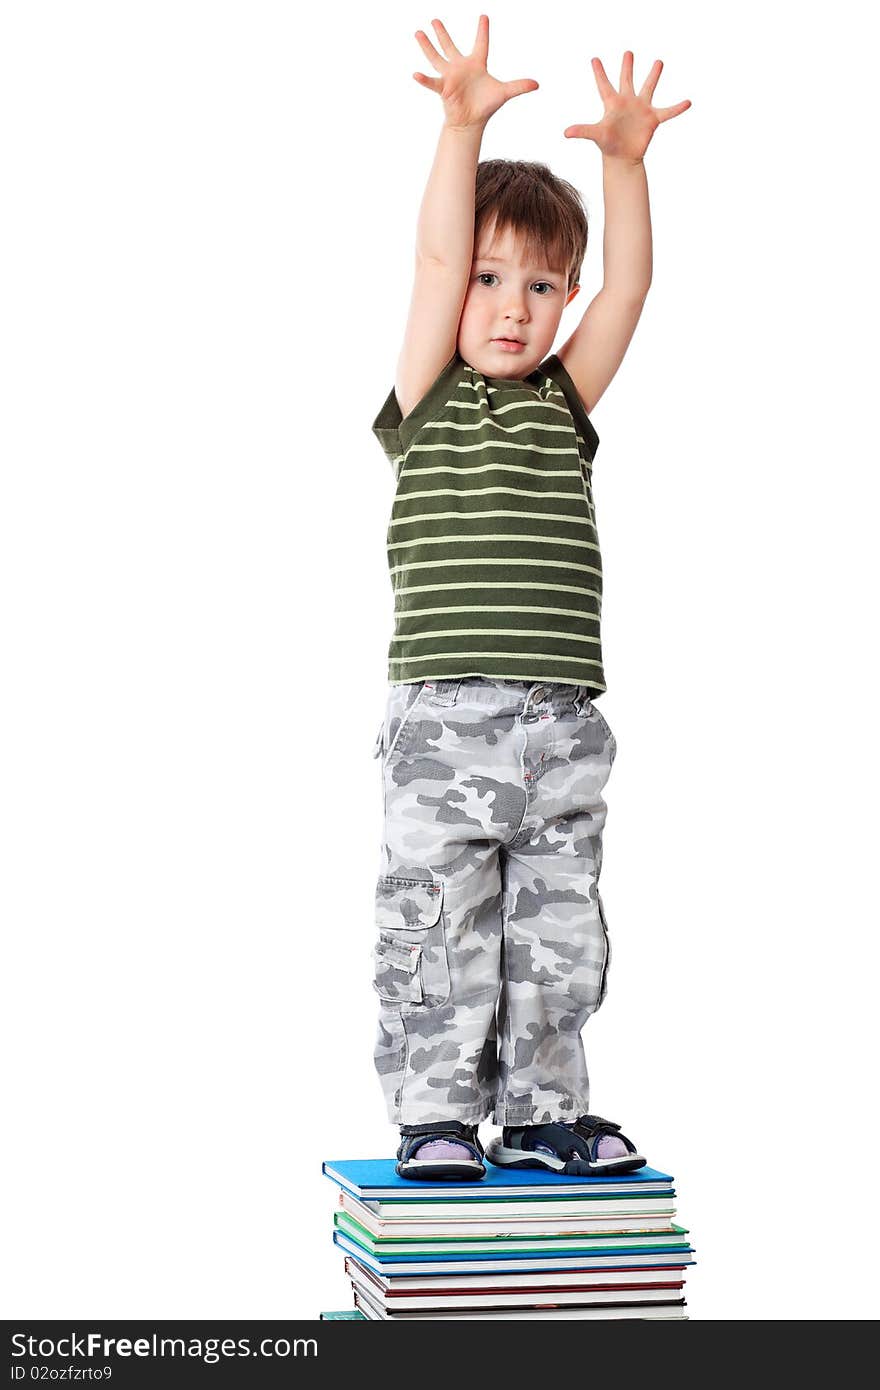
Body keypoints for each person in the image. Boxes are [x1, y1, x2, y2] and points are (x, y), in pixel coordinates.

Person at [369, 15, 690, 1181]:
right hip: (444, 720)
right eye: (494, 279)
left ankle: (549, 1112)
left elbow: (633, 284)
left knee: (557, 934)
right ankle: (435, 1115)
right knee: (439, 923)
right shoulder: (428, 398)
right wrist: (460, 128)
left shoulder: (566, 403)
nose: (511, 306)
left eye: (540, 284)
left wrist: (624, 161)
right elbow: (436, 265)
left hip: (561, 725)